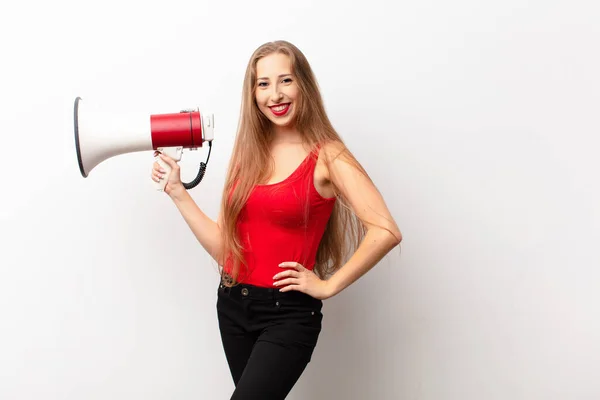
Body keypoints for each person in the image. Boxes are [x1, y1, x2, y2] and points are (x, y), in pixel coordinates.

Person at [151, 40, 402, 400]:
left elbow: (386, 229)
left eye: (285, 80)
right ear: (252, 93)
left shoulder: (329, 156)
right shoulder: (247, 154)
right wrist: (178, 191)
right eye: (263, 84)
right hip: (233, 306)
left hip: (287, 315)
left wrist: (328, 286)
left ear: (303, 85)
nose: (275, 94)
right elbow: (226, 249)